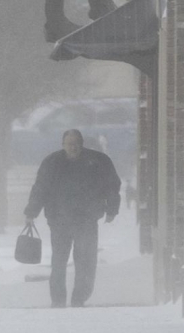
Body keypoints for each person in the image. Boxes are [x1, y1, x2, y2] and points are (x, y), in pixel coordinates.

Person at [23, 129, 121, 308]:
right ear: (63, 145)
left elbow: (112, 185)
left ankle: (80, 297)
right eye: (69, 144)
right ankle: (58, 299)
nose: (73, 147)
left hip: (87, 218)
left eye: (76, 143)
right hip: (59, 219)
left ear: (82, 144)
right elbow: (40, 188)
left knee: (86, 260)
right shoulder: (52, 163)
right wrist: (31, 212)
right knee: (59, 261)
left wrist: (112, 209)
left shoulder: (98, 162)